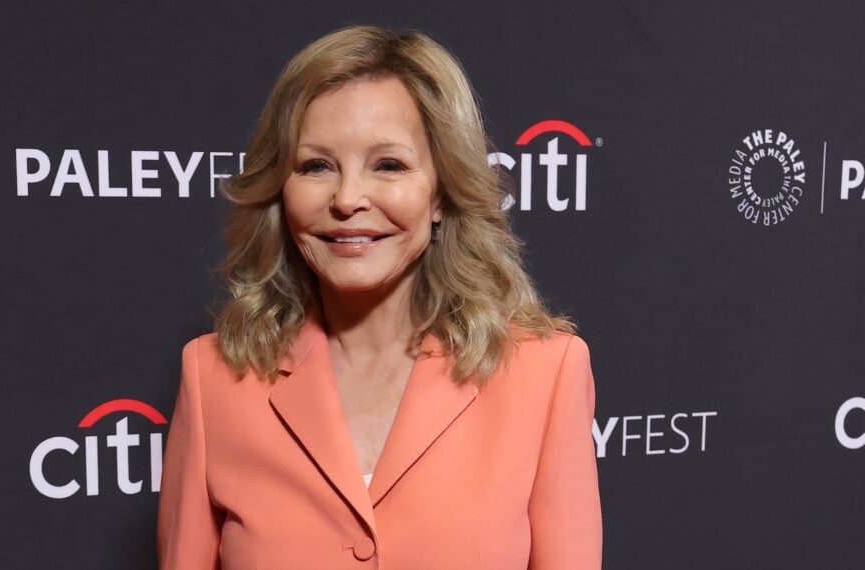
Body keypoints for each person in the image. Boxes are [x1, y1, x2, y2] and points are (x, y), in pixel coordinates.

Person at [157, 24, 602, 569]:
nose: (347, 199)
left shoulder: (544, 373)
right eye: (316, 166)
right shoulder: (213, 380)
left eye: (388, 165)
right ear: (280, 188)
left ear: (442, 192)